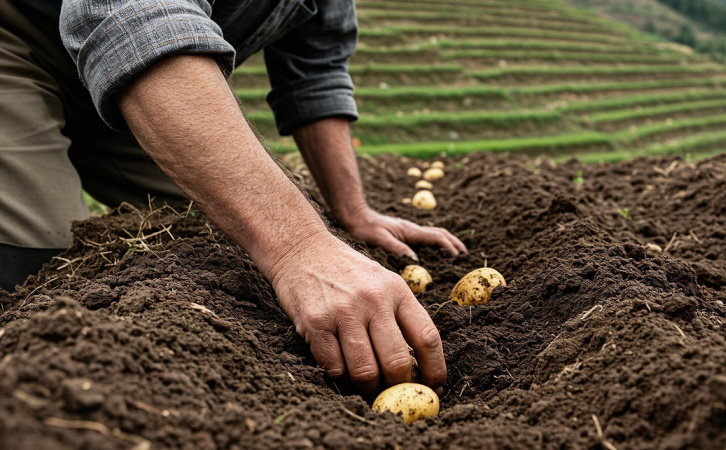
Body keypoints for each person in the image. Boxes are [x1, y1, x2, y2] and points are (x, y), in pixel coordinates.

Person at [0, 0, 466, 393]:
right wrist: (298, 247)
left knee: (224, 242)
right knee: (39, 267)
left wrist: (351, 213)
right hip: (22, 43)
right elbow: (130, 17)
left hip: (132, 77)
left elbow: (315, 72)